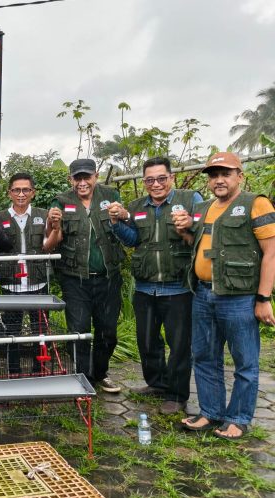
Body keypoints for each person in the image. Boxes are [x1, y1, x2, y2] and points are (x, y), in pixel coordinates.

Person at [178, 152, 275, 439]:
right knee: (204, 357)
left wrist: (263, 298)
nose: (218, 180)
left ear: (239, 176)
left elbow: (271, 253)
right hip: (203, 294)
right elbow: (197, 243)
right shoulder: (204, 208)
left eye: (225, 174)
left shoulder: (255, 204)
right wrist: (184, 230)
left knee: (245, 362)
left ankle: (238, 418)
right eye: (213, 175)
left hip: (239, 297)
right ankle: (210, 412)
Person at [106, 157, 202, 414]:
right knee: (147, 341)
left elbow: (203, 233)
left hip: (178, 288)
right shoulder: (137, 206)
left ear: (172, 178)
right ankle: (157, 383)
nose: (156, 184)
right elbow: (133, 240)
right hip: (145, 287)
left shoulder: (191, 199)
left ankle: (177, 395)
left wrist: (190, 225)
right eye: (150, 180)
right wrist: (116, 224)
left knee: (179, 345)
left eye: (161, 178)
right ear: (144, 182)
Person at [46, 158, 125, 393]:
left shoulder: (111, 195)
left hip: (108, 277)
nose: (82, 182)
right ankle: (83, 376)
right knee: (78, 331)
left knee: (108, 331)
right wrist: (53, 223)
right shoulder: (61, 200)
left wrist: (123, 214)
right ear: (70, 179)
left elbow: (124, 227)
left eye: (86, 177)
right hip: (75, 278)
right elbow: (52, 238)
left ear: (95, 176)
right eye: (77, 178)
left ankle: (100, 373)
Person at [0, 172, 57, 374]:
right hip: (10, 283)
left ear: (33, 192)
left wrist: (56, 227)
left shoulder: (44, 215)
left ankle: (39, 370)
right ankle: (14, 371)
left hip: (38, 282)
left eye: (25, 190)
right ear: (9, 193)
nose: (21, 194)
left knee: (40, 330)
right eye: (16, 190)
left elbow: (49, 244)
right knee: (12, 332)